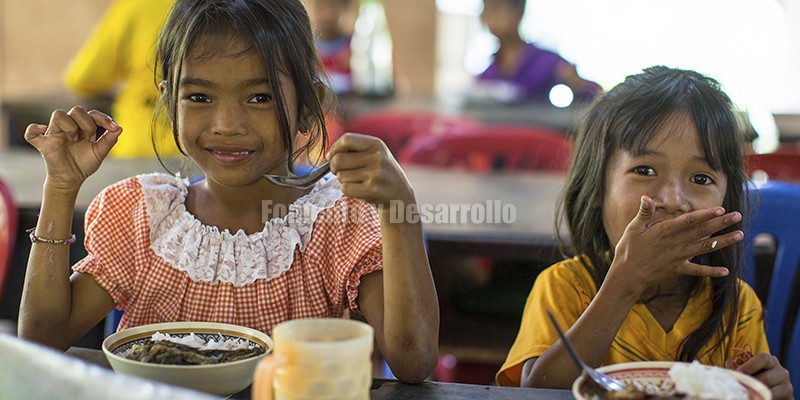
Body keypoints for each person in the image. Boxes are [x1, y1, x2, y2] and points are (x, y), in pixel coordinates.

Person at [18, 0, 439, 384]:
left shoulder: (335, 223)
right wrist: (60, 187)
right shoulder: (145, 217)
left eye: (259, 97)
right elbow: (42, 339)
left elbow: (413, 361)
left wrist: (398, 209)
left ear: (307, 104)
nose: (226, 123)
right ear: (169, 101)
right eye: (199, 96)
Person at [495, 66, 793, 399]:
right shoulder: (566, 288)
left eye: (701, 178)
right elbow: (538, 392)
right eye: (645, 170)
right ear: (597, 191)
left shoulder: (737, 305)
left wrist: (770, 390)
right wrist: (625, 283)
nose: (673, 200)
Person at [63, 0, 178, 158]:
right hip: (205, 149)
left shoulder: (137, 6)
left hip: (142, 146)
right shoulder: (218, 7)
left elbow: (82, 78)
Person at [475, 0, 601, 104]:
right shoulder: (487, 74)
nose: (487, 17)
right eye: (485, 10)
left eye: (495, 9)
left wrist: (578, 85)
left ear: (519, 12)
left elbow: (594, 97)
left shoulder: (549, 63)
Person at [306, 0, 354, 95]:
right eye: (319, 6)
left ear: (344, 7)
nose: (326, 14)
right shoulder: (304, 49)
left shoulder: (355, 46)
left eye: (332, 6)